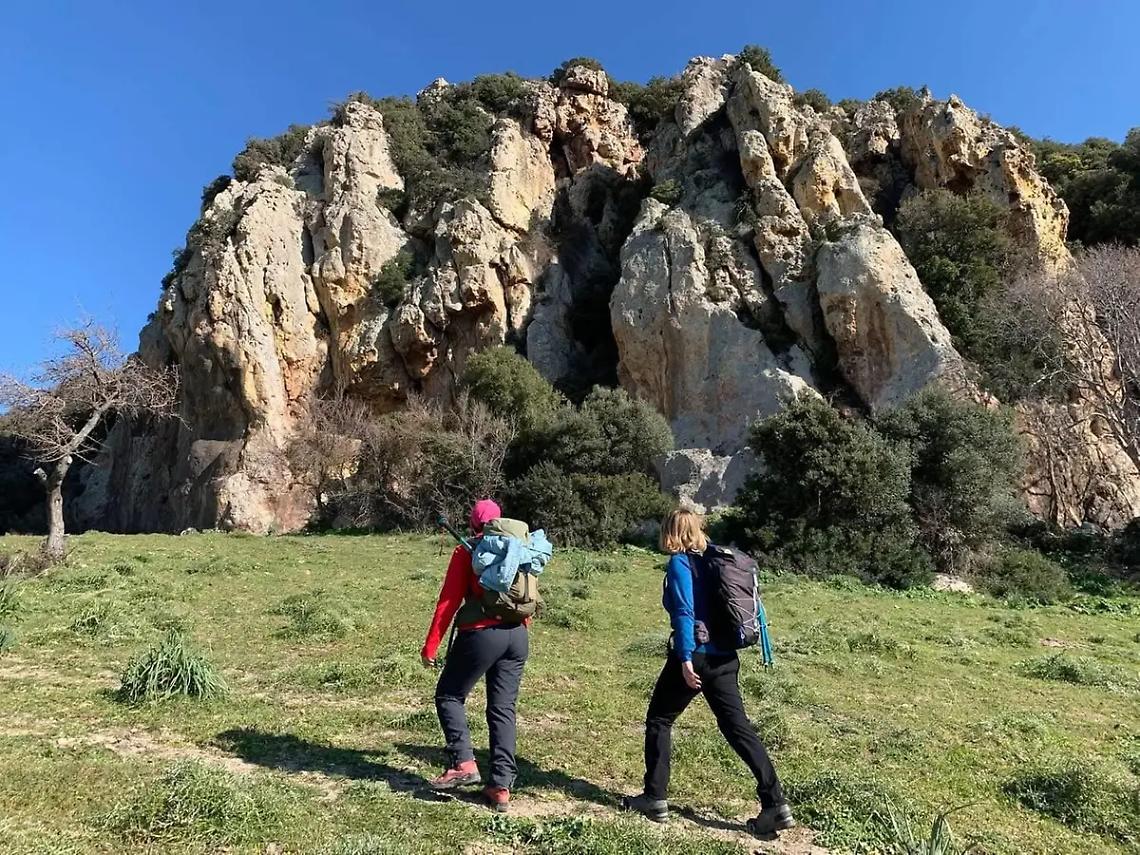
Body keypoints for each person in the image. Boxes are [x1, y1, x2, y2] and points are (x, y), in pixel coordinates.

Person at [622, 508, 794, 836]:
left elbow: (685, 612)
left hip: (696, 656)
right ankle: (775, 803)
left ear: (672, 532)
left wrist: (685, 658)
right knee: (738, 728)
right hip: (725, 658)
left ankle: (654, 797)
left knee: (660, 719)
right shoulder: (718, 561)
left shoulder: (680, 563)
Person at [421, 499, 529, 813]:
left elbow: (448, 602)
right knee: (503, 709)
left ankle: (463, 763)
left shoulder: (467, 551)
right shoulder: (518, 549)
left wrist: (431, 646)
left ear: (473, 525)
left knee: (449, 695)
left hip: (481, 635)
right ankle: (500, 786)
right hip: (517, 635)